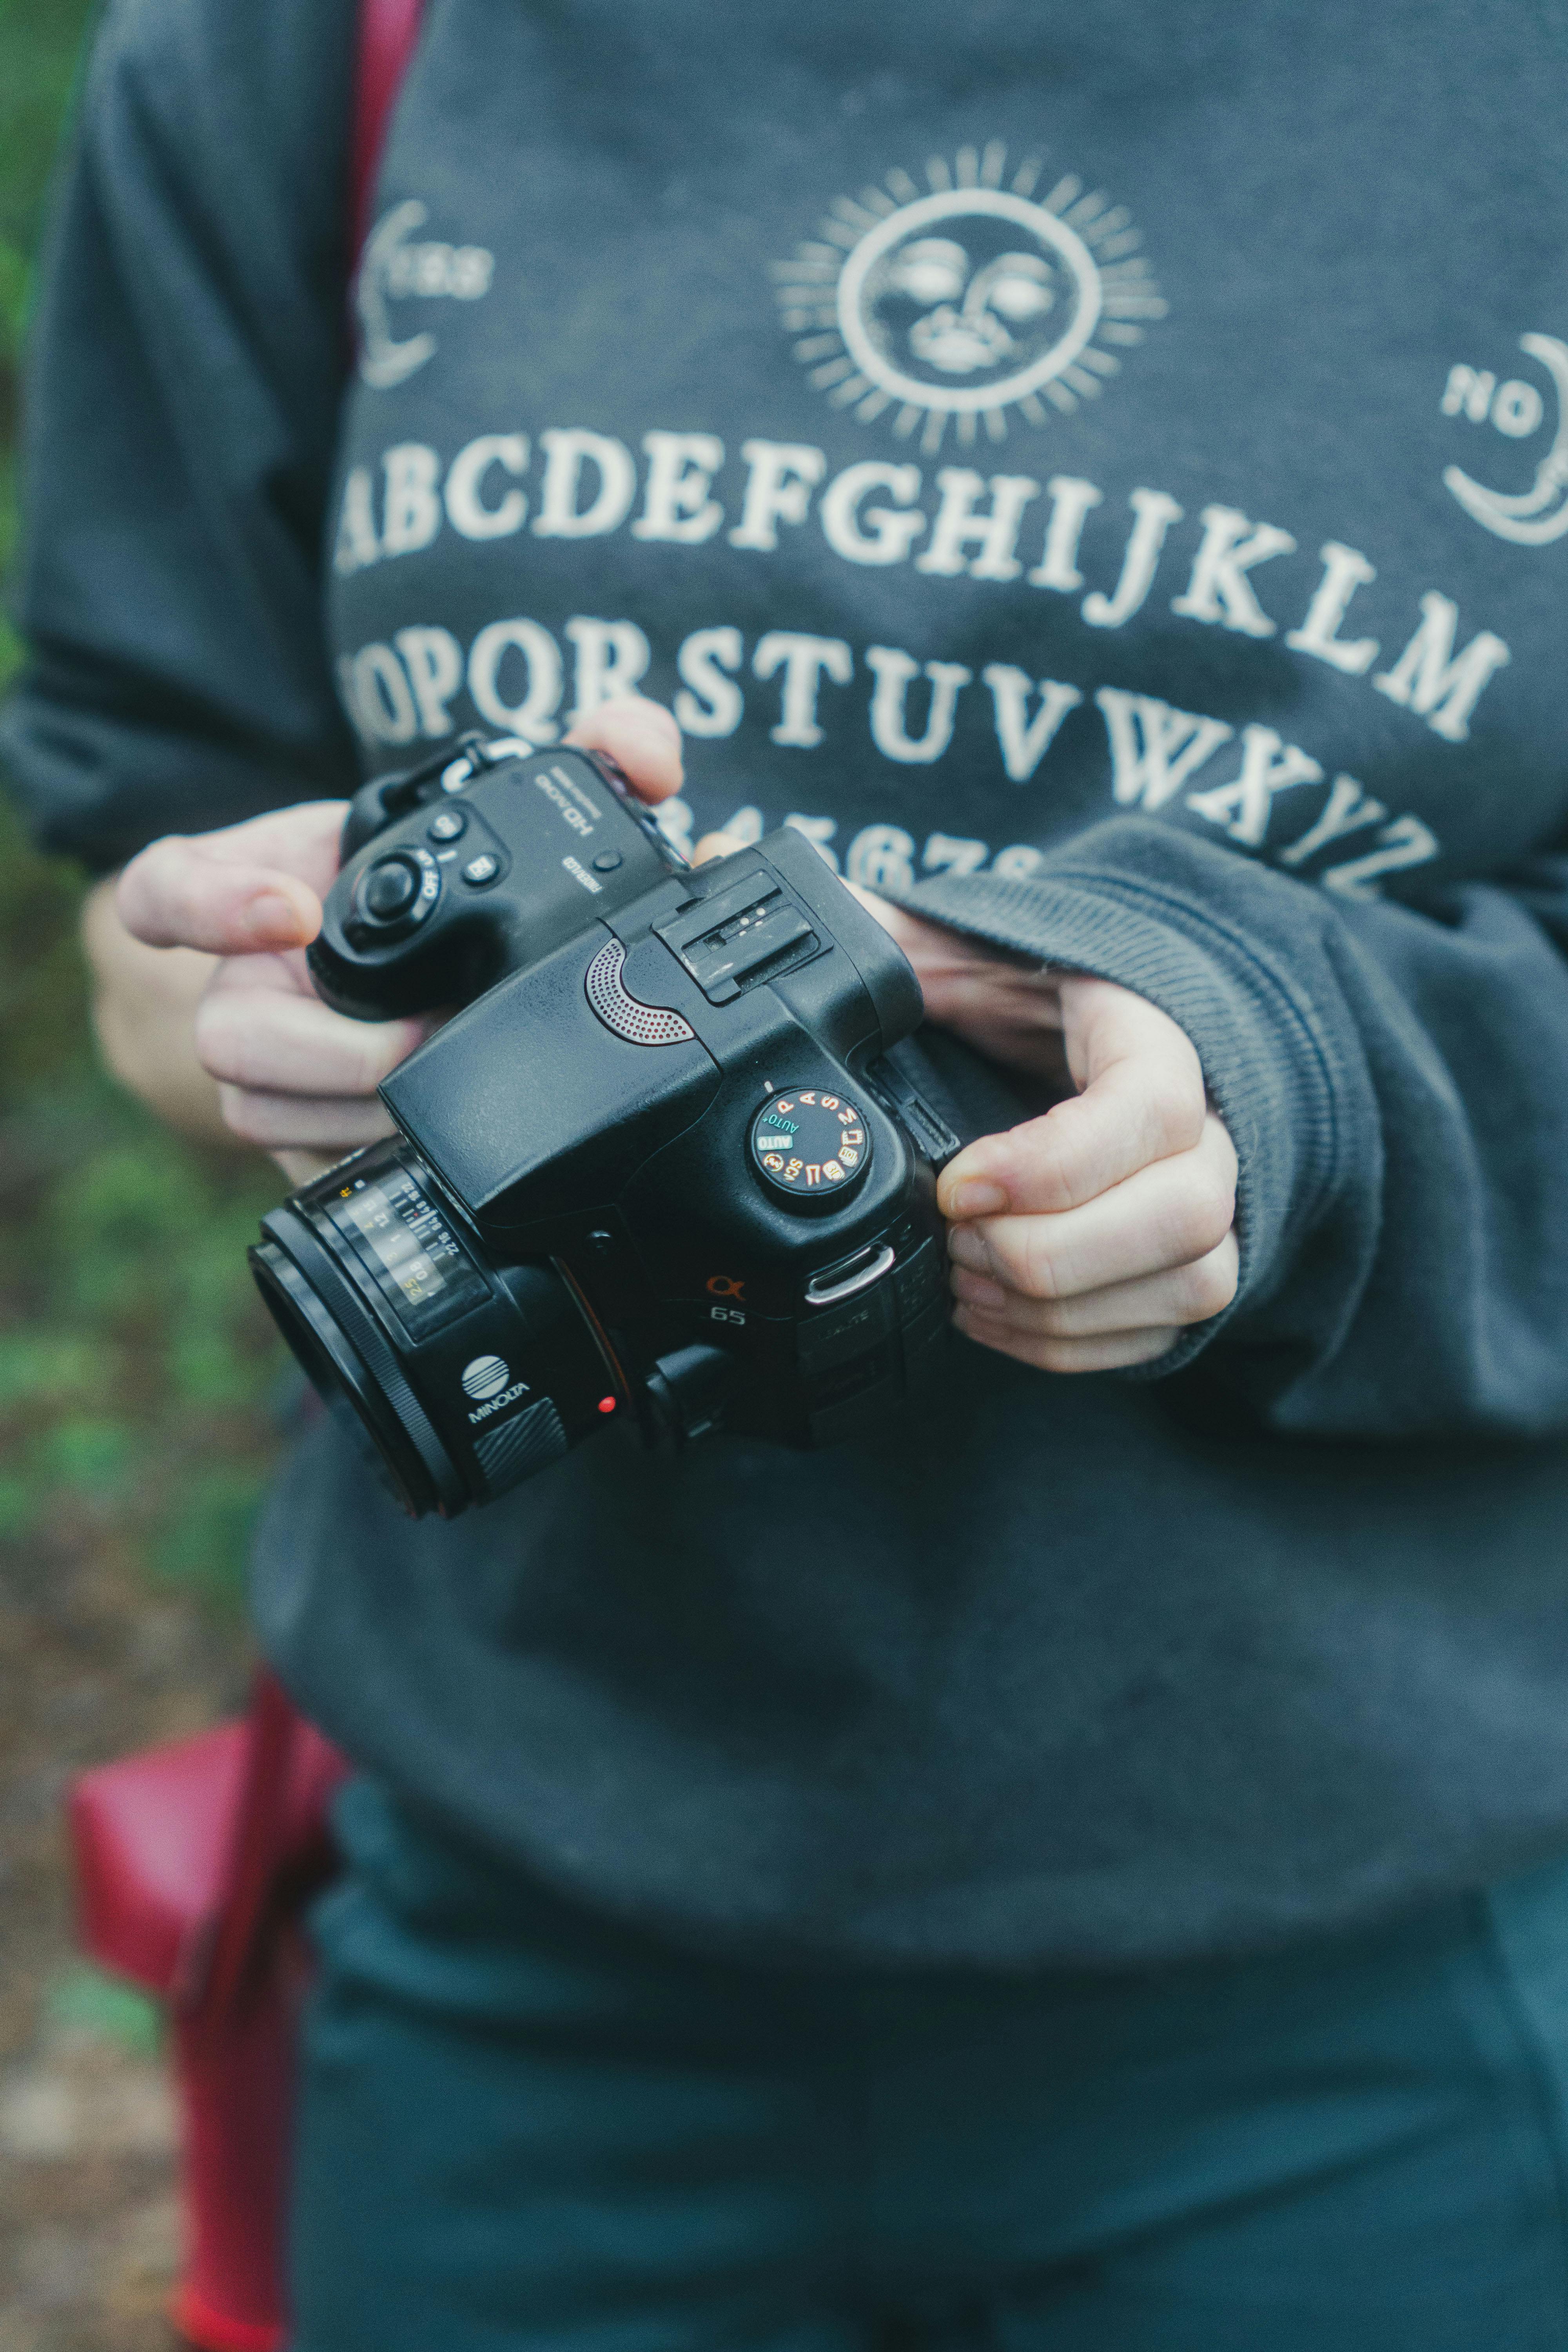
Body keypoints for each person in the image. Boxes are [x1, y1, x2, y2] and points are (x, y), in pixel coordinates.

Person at [7, 0, 1568, 2341]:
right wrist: (281, 990)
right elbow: (151, 846)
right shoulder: (297, 48)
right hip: (510, 1950)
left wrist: (1294, 1080)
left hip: (1340, 2019)